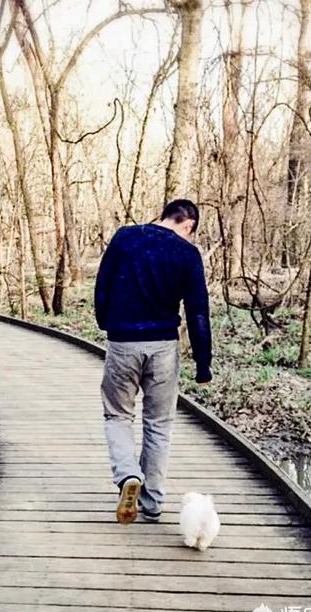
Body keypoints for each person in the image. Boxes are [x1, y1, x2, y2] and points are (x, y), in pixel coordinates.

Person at [94, 199, 212, 525]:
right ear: (188, 225)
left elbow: (102, 286)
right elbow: (198, 311)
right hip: (163, 347)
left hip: (122, 343)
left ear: (164, 215)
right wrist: (203, 364)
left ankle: (128, 474)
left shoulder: (125, 237)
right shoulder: (187, 254)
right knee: (159, 424)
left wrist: (106, 323)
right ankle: (152, 501)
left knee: (117, 415)